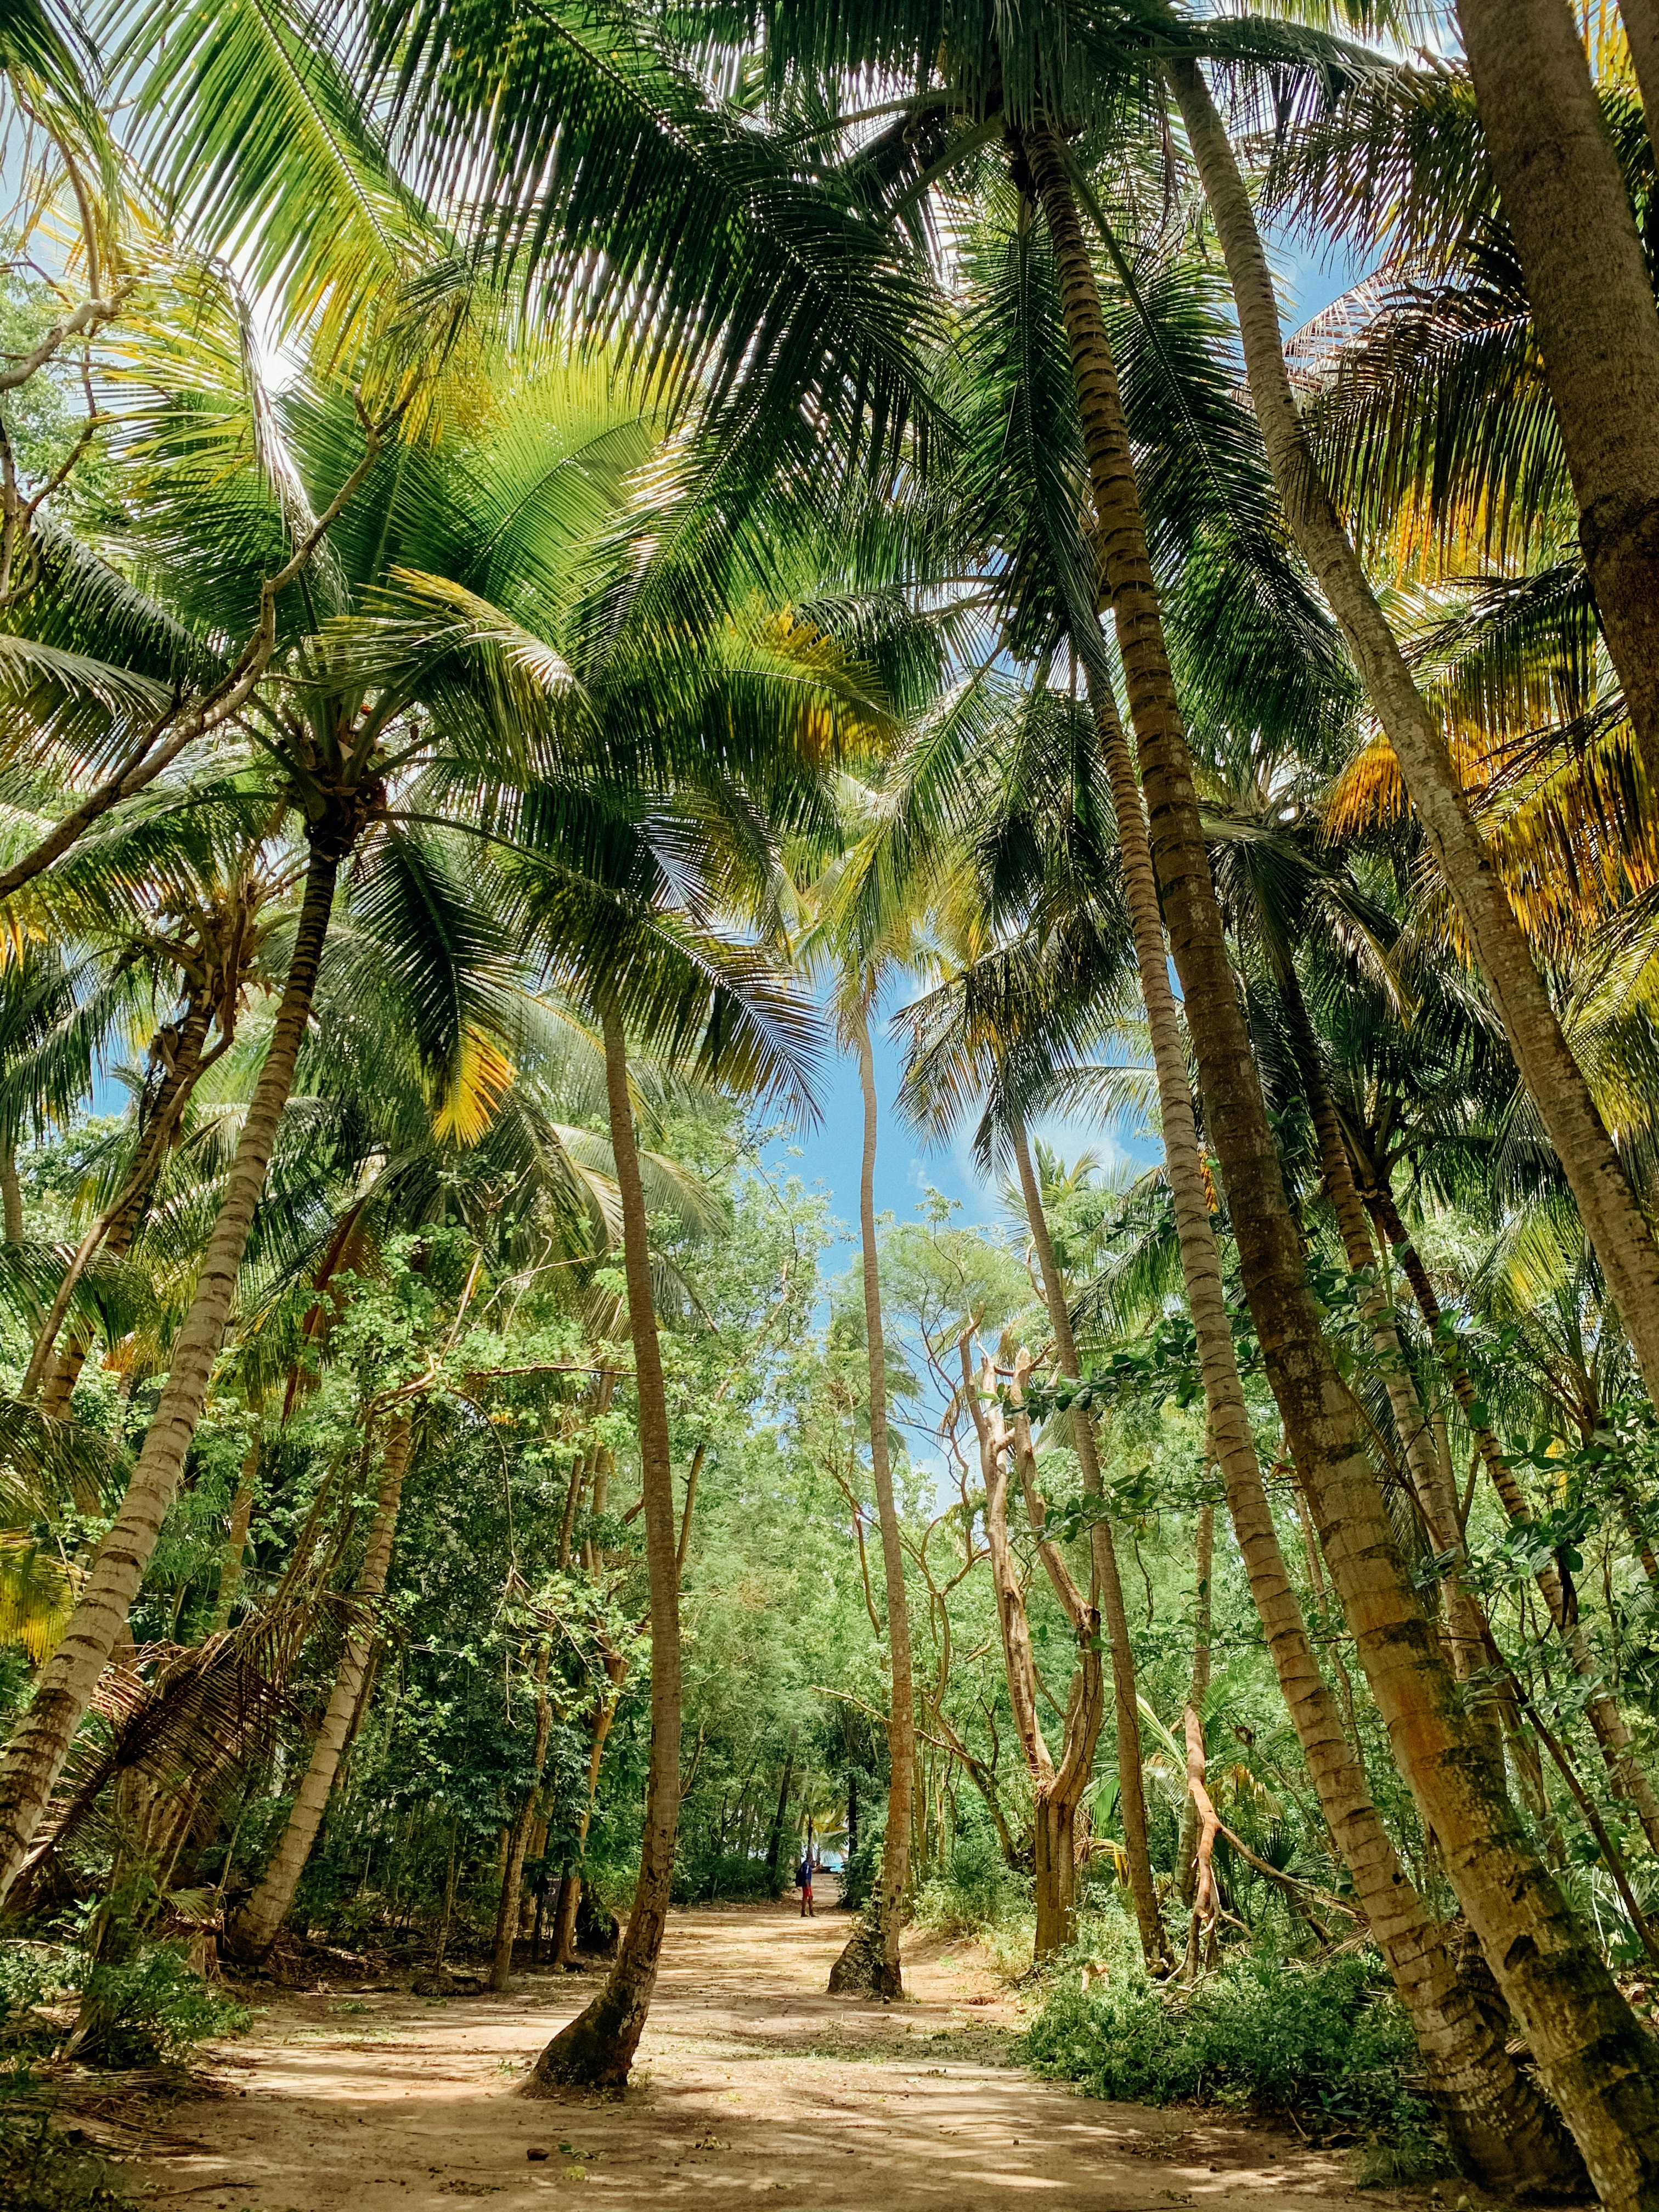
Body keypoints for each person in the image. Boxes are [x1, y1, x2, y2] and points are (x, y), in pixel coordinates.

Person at [797, 1847, 815, 1917]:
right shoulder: (807, 1866)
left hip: (806, 1884)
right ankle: (806, 1912)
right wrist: (807, 1885)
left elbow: (811, 1871)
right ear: (810, 1859)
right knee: (807, 1897)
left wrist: (818, 1867)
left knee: (809, 1897)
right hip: (806, 1884)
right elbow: (806, 1875)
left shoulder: (805, 1865)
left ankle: (809, 1912)